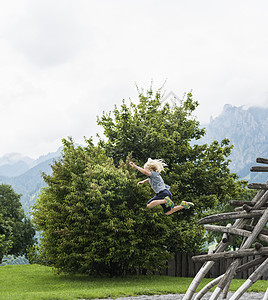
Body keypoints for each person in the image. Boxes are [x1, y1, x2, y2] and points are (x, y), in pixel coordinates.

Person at [129, 158, 194, 216]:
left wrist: (135, 166)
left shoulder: (153, 174)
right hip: (167, 193)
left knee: (148, 205)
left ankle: (165, 201)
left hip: (163, 193)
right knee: (168, 212)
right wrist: (143, 181)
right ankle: (183, 205)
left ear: (150, 169)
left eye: (147, 170)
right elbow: (149, 179)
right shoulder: (156, 176)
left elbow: (146, 173)